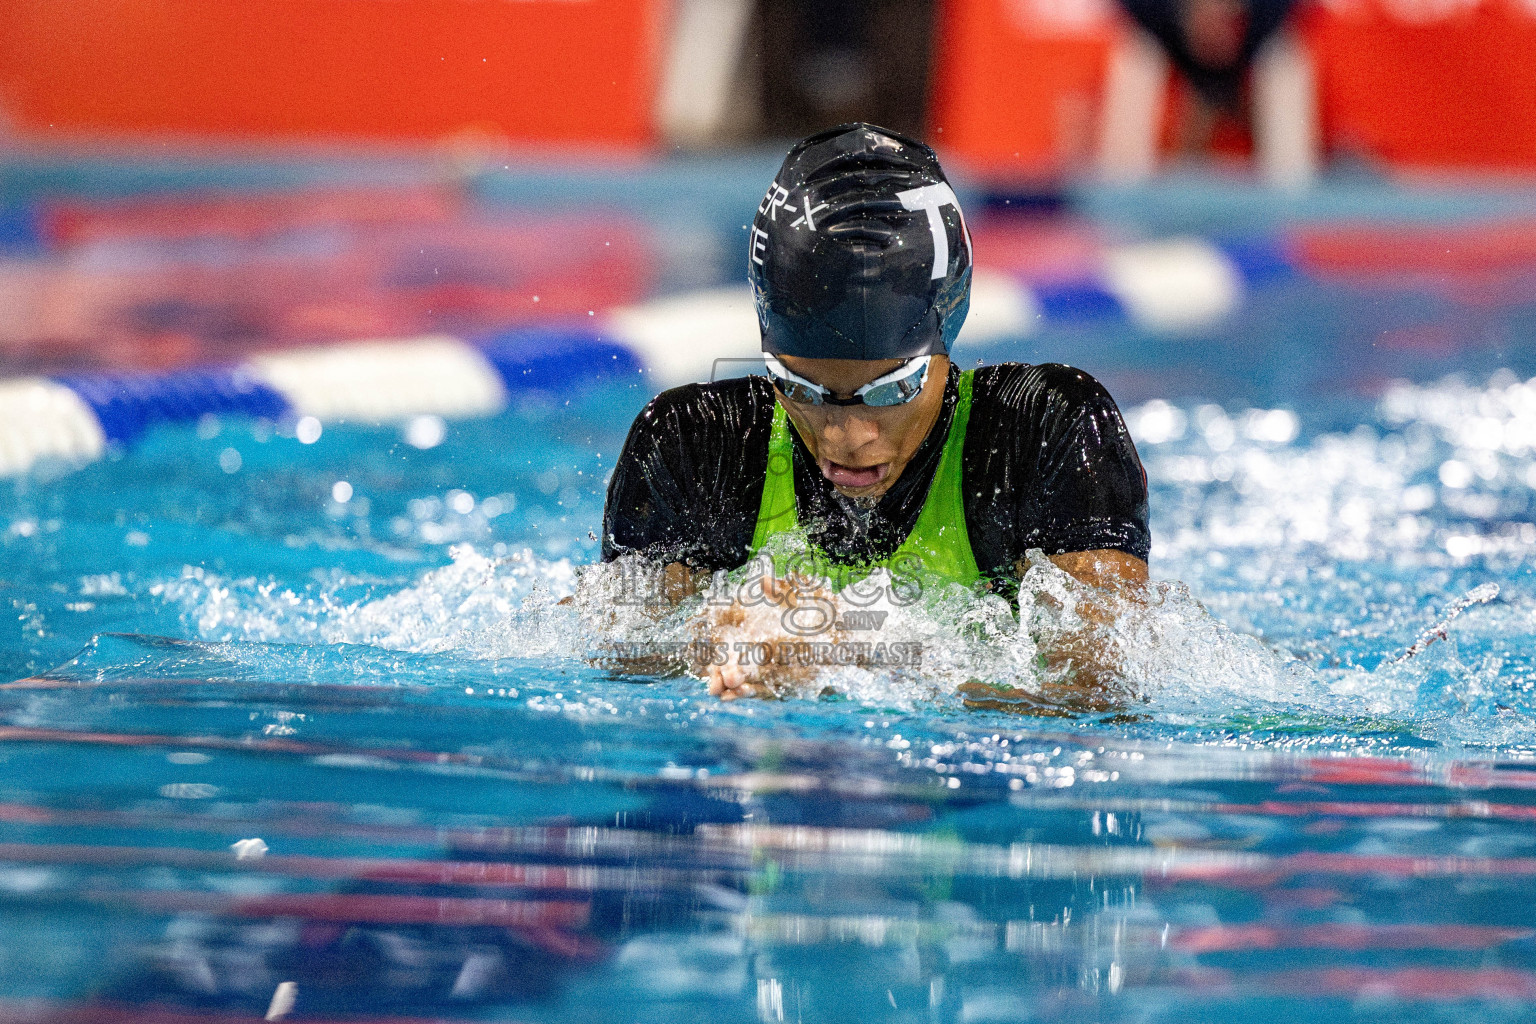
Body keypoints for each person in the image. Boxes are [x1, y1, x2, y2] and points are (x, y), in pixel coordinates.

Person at [601, 124, 1150, 703]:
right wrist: (717, 647)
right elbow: (617, 652)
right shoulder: (695, 443)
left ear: (949, 328)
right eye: (800, 387)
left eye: (889, 390)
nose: (846, 437)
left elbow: (1099, 695)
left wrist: (857, 668)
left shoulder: (1043, 434)